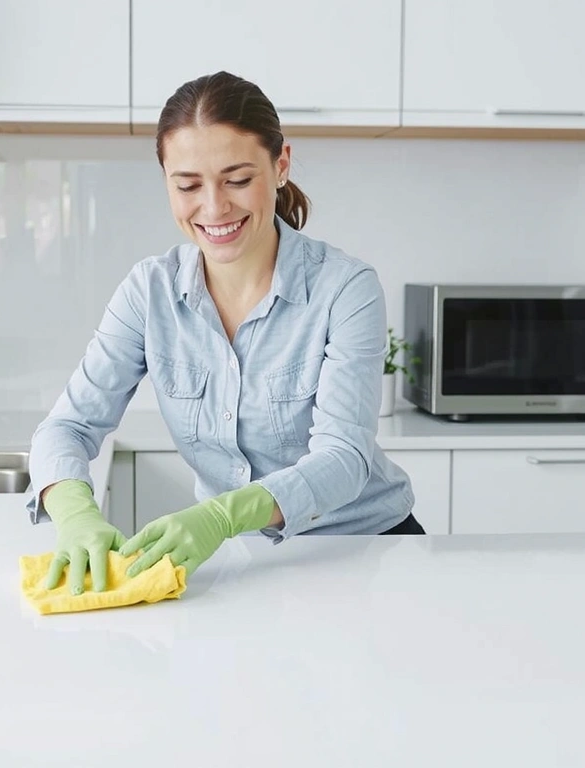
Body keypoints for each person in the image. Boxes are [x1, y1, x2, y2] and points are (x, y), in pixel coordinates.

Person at [27, 71, 419, 596]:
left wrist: (220, 516)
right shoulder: (150, 291)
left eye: (237, 180)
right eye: (187, 185)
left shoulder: (346, 287)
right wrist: (76, 515)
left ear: (280, 166)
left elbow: (344, 458)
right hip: (243, 562)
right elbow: (66, 427)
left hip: (367, 551)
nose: (213, 208)